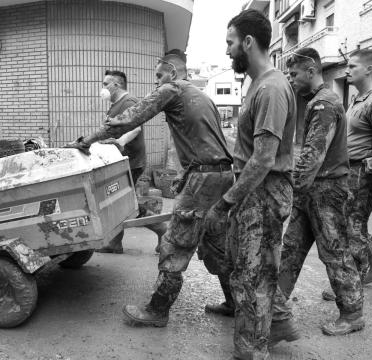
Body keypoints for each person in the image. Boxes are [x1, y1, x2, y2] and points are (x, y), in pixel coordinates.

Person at [64, 50, 235, 327]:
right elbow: (211, 144)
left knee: (174, 245)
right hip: (222, 176)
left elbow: (130, 118)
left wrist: (86, 141)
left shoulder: (173, 89)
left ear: (173, 72)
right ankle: (234, 302)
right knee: (217, 245)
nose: (156, 82)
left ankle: (157, 310)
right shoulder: (203, 97)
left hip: (203, 180)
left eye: (159, 75)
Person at [203, 9, 296, 359]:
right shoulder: (257, 83)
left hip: (264, 192)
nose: (227, 51)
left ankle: (252, 351)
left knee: (251, 277)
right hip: (256, 192)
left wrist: (225, 202)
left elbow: (263, 158)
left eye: (230, 43)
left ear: (248, 42)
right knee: (256, 269)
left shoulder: (271, 88)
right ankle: (282, 326)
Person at [270, 47, 365, 337]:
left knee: (334, 252)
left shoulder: (324, 104)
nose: (291, 78)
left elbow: (312, 156)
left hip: (325, 190)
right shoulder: (317, 102)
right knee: (292, 249)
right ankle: (275, 306)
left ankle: (352, 313)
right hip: (312, 190)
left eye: (294, 73)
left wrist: (291, 189)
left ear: (311, 71)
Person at [322, 49, 372, 301]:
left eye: (352, 65)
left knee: (350, 228)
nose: (347, 70)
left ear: (369, 69)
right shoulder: (360, 99)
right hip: (352, 171)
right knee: (352, 226)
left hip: (365, 174)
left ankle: (354, 282)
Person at [94, 70, 166, 255]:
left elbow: (136, 129)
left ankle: (162, 230)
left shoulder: (129, 102)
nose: (102, 87)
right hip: (122, 161)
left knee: (126, 204)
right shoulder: (115, 104)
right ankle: (115, 243)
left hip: (131, 162)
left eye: (105, 84)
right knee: (118, 203)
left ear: (116, 85)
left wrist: (120, 142)